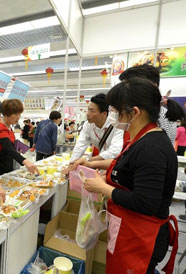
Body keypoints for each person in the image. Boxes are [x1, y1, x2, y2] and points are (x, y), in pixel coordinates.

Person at [82, 78, 178, 274]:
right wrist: (92, 164)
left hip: (142, 235)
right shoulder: (142, 138)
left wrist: (103, 188)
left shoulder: (151, 148)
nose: (113, 116)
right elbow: (125, 166)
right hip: (128, 228)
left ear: (134, 112)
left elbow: (145, 202)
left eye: (116, 111)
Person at [63, 93, 124, 174]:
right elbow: (80, 145)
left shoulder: (116, 125)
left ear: (104, 113)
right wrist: (72, 164)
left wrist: (88, 160)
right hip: (99, 163)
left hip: (114, 164)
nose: (87, 113)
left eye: (92, 111)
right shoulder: (88, 125)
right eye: (88, 109)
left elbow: (114, 151)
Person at [119, 64, 173, 142]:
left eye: (128, 86)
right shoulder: (136, 112)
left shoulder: (160, 117)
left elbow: (155, 149)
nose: (124, 91)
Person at [0, 99, 39, 175]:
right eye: (16, 114)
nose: (18, 117)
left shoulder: (8, 126)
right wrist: (25, 161)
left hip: (8, 164)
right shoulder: (0, 128)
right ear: (6, 114)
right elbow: (8, 149)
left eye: (19, 114)